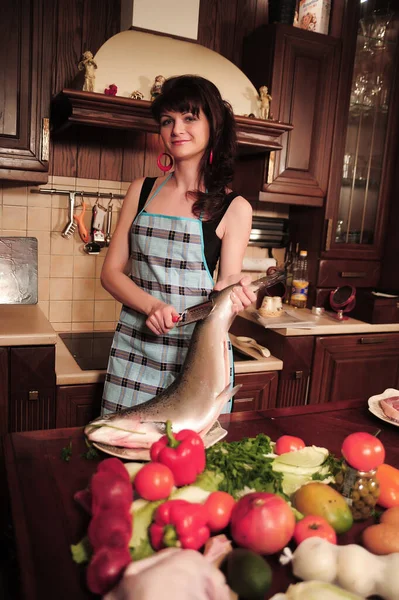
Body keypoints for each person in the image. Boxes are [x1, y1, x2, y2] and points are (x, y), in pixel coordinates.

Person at [100, 75, 256, 415]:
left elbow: (227, 283)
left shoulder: (234, 208)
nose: (176, 129)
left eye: (189, 118)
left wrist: (239, 294)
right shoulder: (141, 191)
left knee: (190, 465)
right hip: (135, 348)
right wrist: (151, 307)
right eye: (167, 121)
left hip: (198, 358)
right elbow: (111, 273)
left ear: (213, 126)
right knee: (122, 459)